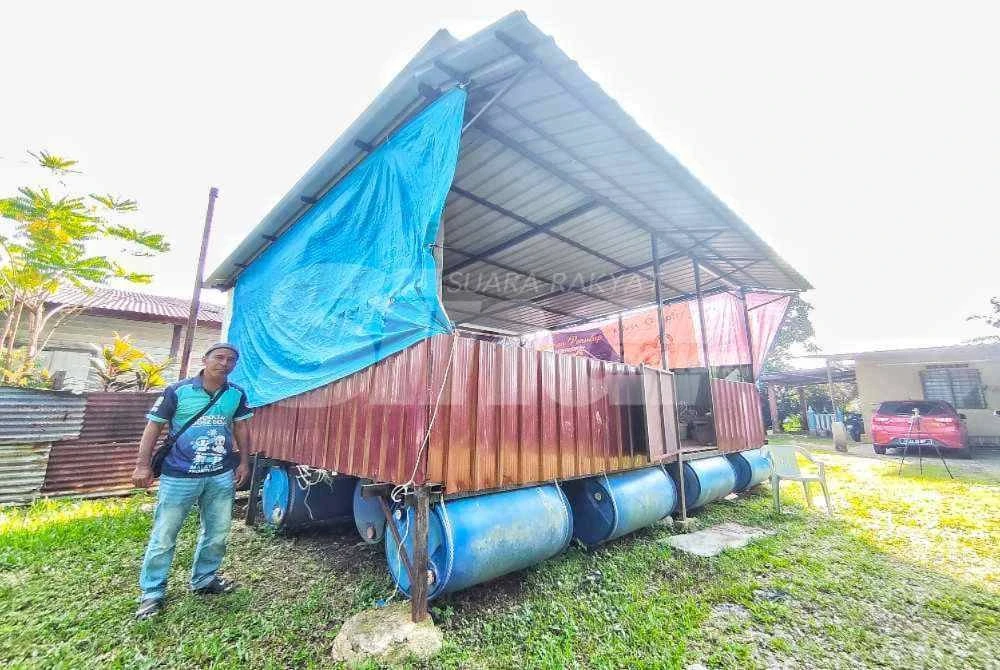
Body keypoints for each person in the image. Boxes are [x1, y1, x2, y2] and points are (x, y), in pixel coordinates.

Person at [132, 343, 254, 620]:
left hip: (219, 473)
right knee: (164, 535)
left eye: (231, 360)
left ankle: (205, 580)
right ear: (205, 360)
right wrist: (142, 465)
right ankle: (152, 593)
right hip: (179, 475)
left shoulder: (235, 394)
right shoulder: (178, 392)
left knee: (218, 532)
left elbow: (241, 428)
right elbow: (153, 427)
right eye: (219, 358)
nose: (224, 363)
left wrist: (244, 461)